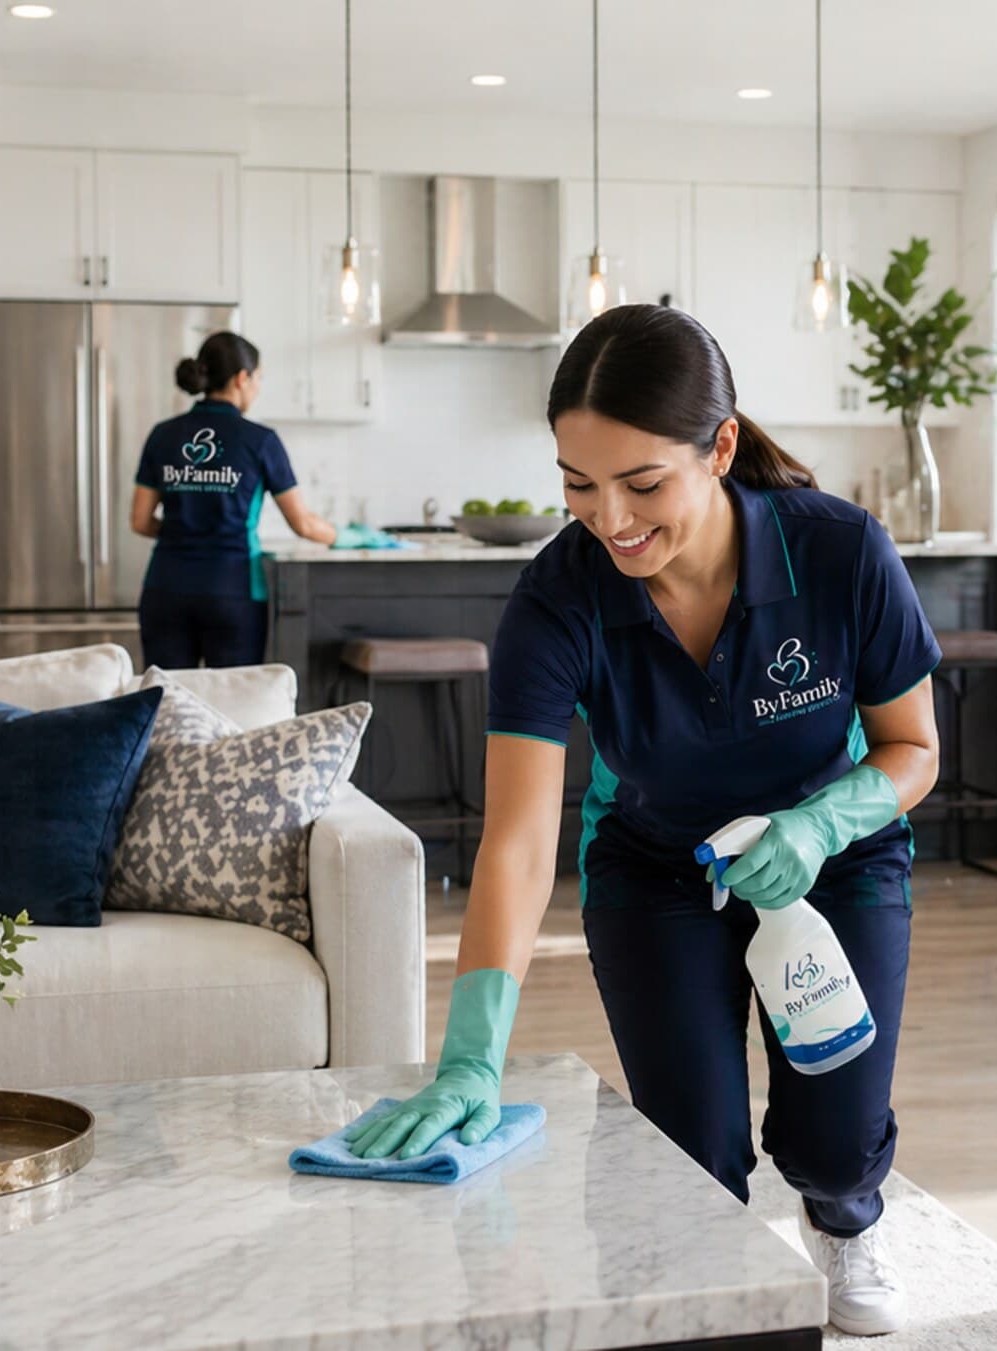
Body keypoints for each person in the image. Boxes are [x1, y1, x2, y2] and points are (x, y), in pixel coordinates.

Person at [344, 305, 942, 1336]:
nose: (608, 517)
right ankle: (708, 1292)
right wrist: (472, 1053)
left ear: (718, 448)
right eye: (578, 485)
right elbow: (521, 840)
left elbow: (913, 747)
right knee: (688, 1154)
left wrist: (821, 825)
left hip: (831, 861)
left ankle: (845, 1222)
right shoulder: (556, 601)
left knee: (836, 1136)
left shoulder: (838, 551)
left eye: (641, 483)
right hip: (658, 871)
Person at [130, 332, 335, 667]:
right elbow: (304, 524)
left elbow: (140, 521)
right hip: (233, 591)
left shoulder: (163, 435)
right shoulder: (261, 441)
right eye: (259, 378)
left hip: (166, 589)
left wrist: (185, 532)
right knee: (233, 707)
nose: (258, 387)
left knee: (166, 707)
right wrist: (352, 538)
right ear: (242, 378)